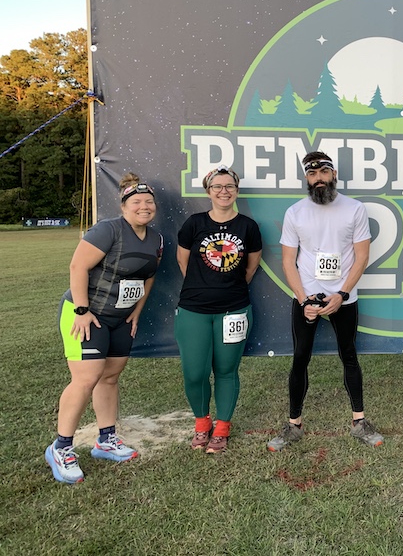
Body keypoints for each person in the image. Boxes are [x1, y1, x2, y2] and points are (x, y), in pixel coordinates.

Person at [46, 174, 162, 484]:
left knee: (110, 377)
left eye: (149, 202)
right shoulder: (108, 229)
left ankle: (106, 439)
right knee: (86, 378)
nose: (144, 206)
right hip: (87, 314)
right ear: (124, 206)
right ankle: (61, 448)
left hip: (120, 319)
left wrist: (136, 311)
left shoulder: (156, 239)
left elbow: (147, 278)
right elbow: (77, 267)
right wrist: (82, 310)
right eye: (136, 202)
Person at [267, 151, 384, 451]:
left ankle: (359, 422)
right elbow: (288, 261)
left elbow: (362, 256)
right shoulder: (295, 213)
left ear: (333, 175)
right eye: (311, 174)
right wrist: (304, 298)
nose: (318, 179)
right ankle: (294, 425)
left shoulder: (355, 209)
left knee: (349, 355)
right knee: (300, 358)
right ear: (307, 178)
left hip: (343, 297)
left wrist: (342, 294)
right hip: (306, 297)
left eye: (323, 173)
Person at [175, 165, 262, 454]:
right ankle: (202, 423)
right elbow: (184, 263)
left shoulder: (248, 226)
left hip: (234, 309)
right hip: (194, 309)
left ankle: (222, 427)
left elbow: (251, 266)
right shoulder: (194, 223)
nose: (224, 191)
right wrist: (204, 287)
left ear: (236, 191)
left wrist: (228, 288)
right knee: (194, 373)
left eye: (229, 186)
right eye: (218, 186)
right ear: (209, 191)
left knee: (226, 370)